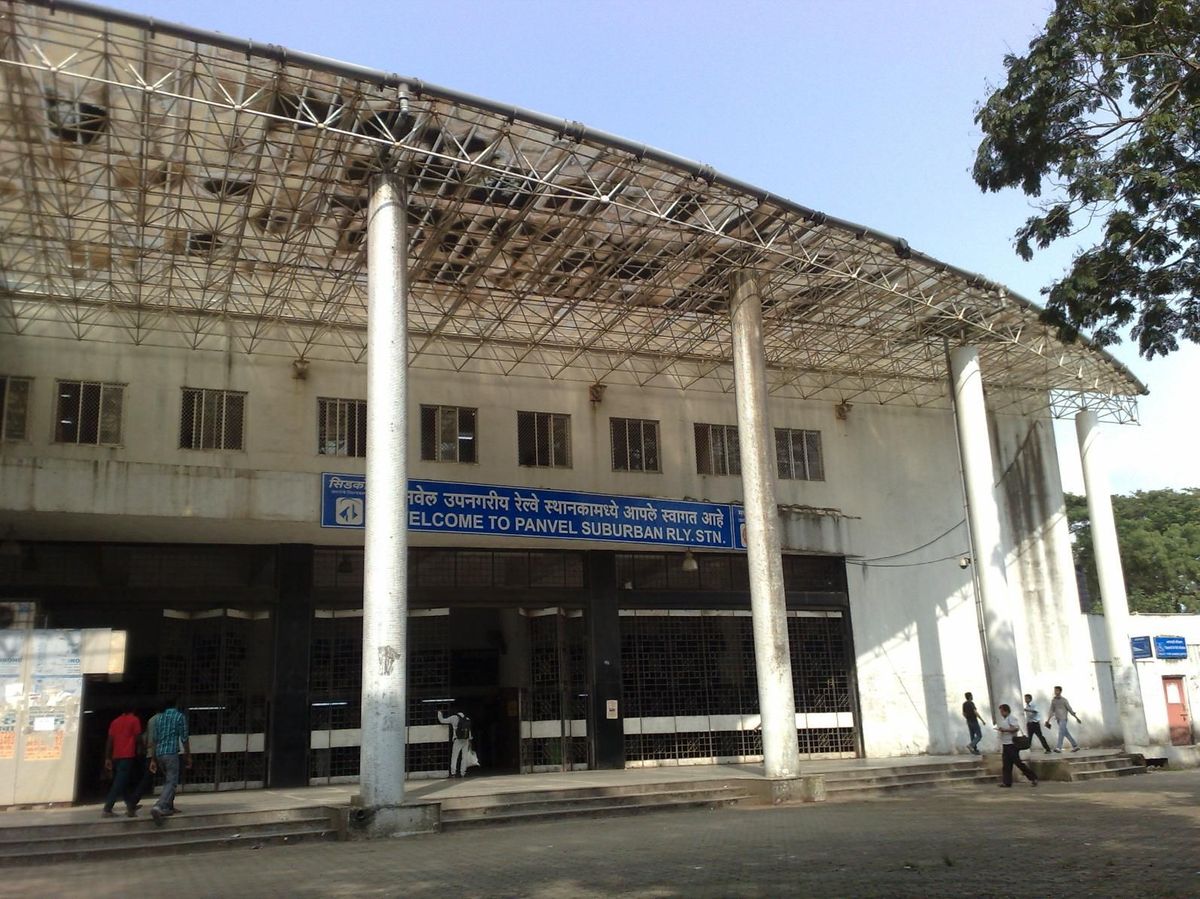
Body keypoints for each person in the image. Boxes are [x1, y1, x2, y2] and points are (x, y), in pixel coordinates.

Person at [149, 697, 191, 825]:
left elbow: (154, 739)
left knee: (168, 780)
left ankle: (168, 807)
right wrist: (188, 754)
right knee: (171, 781)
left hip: (160, 753)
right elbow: (184, 737)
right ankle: (160, 806)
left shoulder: (159, 718)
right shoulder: (179, 717)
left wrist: (153, 759)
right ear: (176, 704)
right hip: (171, 752)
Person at [101, 706, 141, 818]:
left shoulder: (115, 722)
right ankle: (108, 807)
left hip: (116, 755)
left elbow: (110, 740)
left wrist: (107, 757)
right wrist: (141, 748)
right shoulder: (134, 720)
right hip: (127, 754)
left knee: (123, 781)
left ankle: (130, 806)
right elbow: (138, 737)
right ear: (133, 710)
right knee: (119, 782)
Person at [995, 703, 1038, 788]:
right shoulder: (1004, 720)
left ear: (1006, 711)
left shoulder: (1011, 718)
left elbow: (1015, 728)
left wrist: (1005, 730)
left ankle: (1033, 778)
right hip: (1006, 744)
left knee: (1018, 763)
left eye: (1002, 711)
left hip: (1012, 744)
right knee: (1006, 765)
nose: (1001, 713)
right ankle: (1007, 782)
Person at [437, 708, 472, 778]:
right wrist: (470, 740)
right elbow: (469, 731)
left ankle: (453, 773)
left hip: (457, 740)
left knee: (454, 757)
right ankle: (463, 773)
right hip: (466, 740)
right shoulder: (467, 719)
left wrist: (439, 713)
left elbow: (442, 720)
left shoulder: (454, 718)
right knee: (464, 757)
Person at [1046, 685, 1081, 752]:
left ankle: (1058, 747)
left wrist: (1076, 718)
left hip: (1064, 719)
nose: (1056, 692)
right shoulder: (1053, 701)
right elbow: (1051, 710)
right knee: (1065, 733)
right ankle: (1075, 746)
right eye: (1055, 690)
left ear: (1060, 691)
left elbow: (1070, 709)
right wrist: (1048, 720)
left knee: (1061, 732)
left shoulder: (1064, 700)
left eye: (1057, 690)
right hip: (1058, 719)